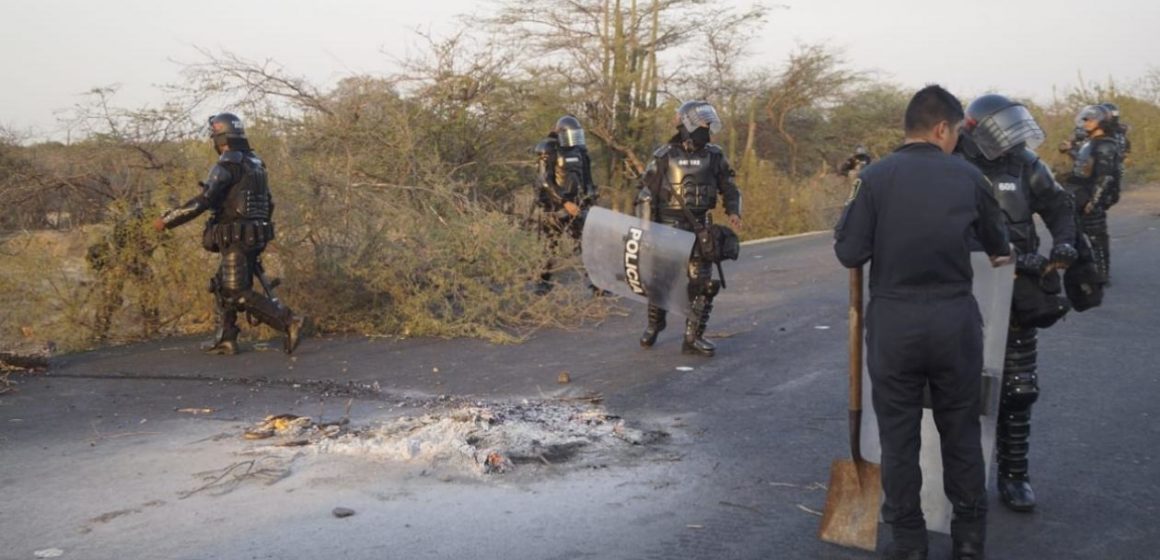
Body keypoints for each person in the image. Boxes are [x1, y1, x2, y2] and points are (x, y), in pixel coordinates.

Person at [834, 85, 1012, 560]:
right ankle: (970, 541)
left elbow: (849, 251)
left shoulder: (873, 178)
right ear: (941, 129)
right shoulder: (972, 177)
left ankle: (910, 545)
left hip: (895, 324)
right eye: (955, 133)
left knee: (899, 437)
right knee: (961, 431)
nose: (954, 141)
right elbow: (1000, 250)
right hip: (954, 322)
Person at [957, 94, 1079, 512]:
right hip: (963, 289)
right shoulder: (951, 163)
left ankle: (1014, 474)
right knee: (956, 388)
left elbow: (1060, 204)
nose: (1009, 137)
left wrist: (1063, 241)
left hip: (1019, 288)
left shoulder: (1026, 163)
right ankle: (958, 480)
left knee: (1019, 387)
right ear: (975, 129)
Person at [154, 113, 305, 355]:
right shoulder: (255, 162)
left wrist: (168, 220)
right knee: (222, 286)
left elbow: (203, 200)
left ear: (220, 137)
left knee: (236, 292)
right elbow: (268, 202)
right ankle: (227, 337)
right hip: (253, 234)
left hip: (236, 236)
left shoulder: (228, 164)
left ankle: (287, 321)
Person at [636, 101, 742, 357]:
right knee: (661, 283)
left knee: (702, 284)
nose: (708, 128)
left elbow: (729, 186)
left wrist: (734, 210)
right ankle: (654, 324)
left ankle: (693, 337)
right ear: (689, 123)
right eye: (704, 123)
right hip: (667, 228)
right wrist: (645, 231)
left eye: (708, 123)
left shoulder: (714, 155)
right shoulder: (663, 155)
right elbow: (644, 194)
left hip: (700, 229)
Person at [532, 115, 599, 294]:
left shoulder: (580, 151)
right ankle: (542, 282)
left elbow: (587, 179)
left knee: (588, 243)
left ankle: (598, 284)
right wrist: (563, 201)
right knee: (549, 246)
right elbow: (544, 180)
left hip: (578, 206)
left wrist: (591, 197)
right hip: (554, 207)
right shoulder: (548, 148)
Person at [87, 203, 162, 340]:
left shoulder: (146, 225)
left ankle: (152, 328)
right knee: (111, 295)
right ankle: (99, 333)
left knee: (149, 289)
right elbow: (118, 246)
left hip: (133, 258)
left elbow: (148, 248)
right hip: (119, 258)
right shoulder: (130, 225)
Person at [1066, 104, 1122, 284]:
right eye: (1085, 119)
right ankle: (1087, 270)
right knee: (1079, 232)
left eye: (1090, 119)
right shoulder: (1091, 142)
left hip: (1091, 194)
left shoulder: (1106, 144)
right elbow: (1083, 164)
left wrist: (1094, 201)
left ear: (1102, 122)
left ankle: (1102, 274)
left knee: (1096, 235)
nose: (1086, 122)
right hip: (1081, 192)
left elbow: (1105, 176)